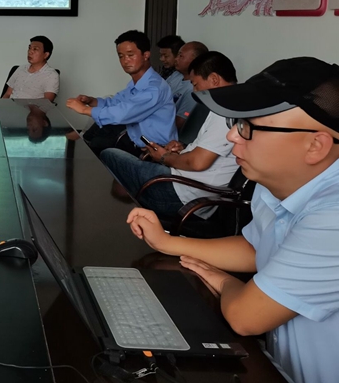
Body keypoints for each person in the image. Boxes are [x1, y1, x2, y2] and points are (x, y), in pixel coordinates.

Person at [126, 57, 339, 383]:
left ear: (315, 145)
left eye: (247, 127)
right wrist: (167, 242)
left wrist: (223, 280)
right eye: (235, 124)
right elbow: (255, 248)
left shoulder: (332, 218)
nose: (232, 137)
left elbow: (245, 317)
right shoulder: (276, 183)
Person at [100, 51, 238, 217]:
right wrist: (182, 149)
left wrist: (164, 157)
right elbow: (208, 153)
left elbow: (198, 163)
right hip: (181, 183)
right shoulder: (227, 106)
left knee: (109, 154)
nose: (195, 91)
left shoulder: (226, 112)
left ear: (214, 79)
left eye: (196, 85)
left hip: (180, 194)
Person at [67, 30, 177, 157]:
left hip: (153, 152)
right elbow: (117, 102)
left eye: (130, 55)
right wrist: (92, 101)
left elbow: (123, 113)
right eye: (121, 56)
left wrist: (84, 110)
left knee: (93, 151)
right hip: (134, 141)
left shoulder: (154, 87)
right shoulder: (137, 83)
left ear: (146, 55)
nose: (125, 61)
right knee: (91, 144)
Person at [2, 36, 59, 102]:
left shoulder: (51, 75)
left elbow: (46, 103)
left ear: (45, 55)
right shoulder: (20, 69)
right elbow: (8, 94)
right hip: (9, 106)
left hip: (30, 108)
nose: (30, 52)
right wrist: (0, 106)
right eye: (29, 48)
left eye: (35, 49)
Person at [168, 41, 209, 129]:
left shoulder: (194, 88)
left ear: (195, 60)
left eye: (181, 56)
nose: (176, 59)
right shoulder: (175, 75)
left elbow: (180, 122)